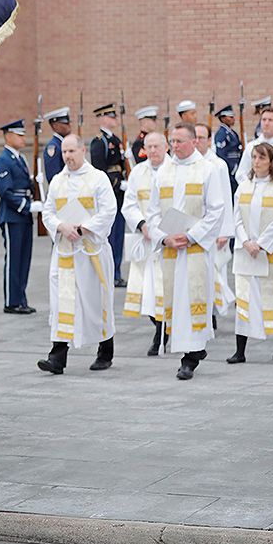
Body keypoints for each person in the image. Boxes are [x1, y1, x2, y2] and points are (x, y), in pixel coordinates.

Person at [144, 123, 226, 380]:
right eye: (173, 141)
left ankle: (190, 357)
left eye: (180, 141)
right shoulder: (163, 171)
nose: (175, 146)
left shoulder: (208, 170)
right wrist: (164, 238)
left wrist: (191, 236)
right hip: (171, 248)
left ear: (193, 142)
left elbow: (216, 209)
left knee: (192, 300)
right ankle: (191, 350)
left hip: (195, 249)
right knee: (177, 302)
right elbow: (153, 212)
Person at [38, 134, 117, 374]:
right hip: (65, 253)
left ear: (83, 151)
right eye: (64, 152)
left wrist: (83, 229)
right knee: (62, 302)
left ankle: (105, 350)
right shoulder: (58, 181)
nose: (67, 157)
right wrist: (62, 227)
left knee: (96, 301)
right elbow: (48, 212)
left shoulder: (98, 178)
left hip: (91, 252)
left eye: (72, 151)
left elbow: (108, 211)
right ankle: (57, 356)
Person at [226, 142, 273, 362]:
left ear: (271, 161)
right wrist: (245, 242)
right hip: (247, 252)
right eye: (253, 157)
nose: (256, 162)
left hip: (272, 252)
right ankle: (240, 351)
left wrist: (260, 244)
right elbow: (236, 217)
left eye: (261, 158)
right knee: (245, 298)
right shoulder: (244, 186)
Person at [121, 131, 170, 355]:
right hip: (146, 240)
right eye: (148, 147)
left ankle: (162, 333)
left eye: (156, 146)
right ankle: (160, 327)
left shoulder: (174, 170)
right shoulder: (139, 172)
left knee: (164, 289)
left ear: (166, 147)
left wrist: (163, 231)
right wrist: (142, 225)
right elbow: (129, 204)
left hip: (169, 240)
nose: (152, 151)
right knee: (147, 292)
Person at [0, 119, 36, 314]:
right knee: (14, 260)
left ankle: (21, 299)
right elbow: (6, 192)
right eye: (19, 135)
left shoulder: (21, 158)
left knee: (24, 259)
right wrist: (26, 205)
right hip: (12, 216)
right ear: (8, 137)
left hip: (24, 215)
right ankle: (11, 301)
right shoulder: (3, 160)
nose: (23, 138)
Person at [195, 124, 236, 323]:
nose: (198, 141)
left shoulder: (217, 164)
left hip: (215, 229)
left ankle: (212, 312)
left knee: (215, 270)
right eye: (195, 137)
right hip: (194, 228)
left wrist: (225, 231)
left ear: (210, 140)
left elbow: (225, 200)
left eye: (202, 137)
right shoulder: (190, 163)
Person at [89, 103, 127, 287]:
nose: (115, 120)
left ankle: (117, 270)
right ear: (103, 119)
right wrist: (116, 183)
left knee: (119, 234)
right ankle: (109, 271)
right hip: (109, 191)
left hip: (120, 192)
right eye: (111, 117)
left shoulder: (117, 139)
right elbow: (99, 170)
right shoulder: (99, 141)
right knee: (110, 234)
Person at [236, 107, 273, 186]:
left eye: (270, 120)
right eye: (264, 120)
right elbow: (241, 174)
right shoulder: (251, 147)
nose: (266, 123)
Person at [214, 104, 242, 193]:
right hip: (230, 170)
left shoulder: (232, 132)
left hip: (235, 168)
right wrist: (230, 168)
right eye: (230, 117)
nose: (233, 119)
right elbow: (221, 153)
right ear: (223, 119)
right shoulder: (222, 134)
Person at [41, 107, 71, 181]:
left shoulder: (64, 143)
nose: (69, 126)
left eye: (69, 123)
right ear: (55, 126)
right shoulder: (53, 147)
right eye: (65, 123)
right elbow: (53, 175)